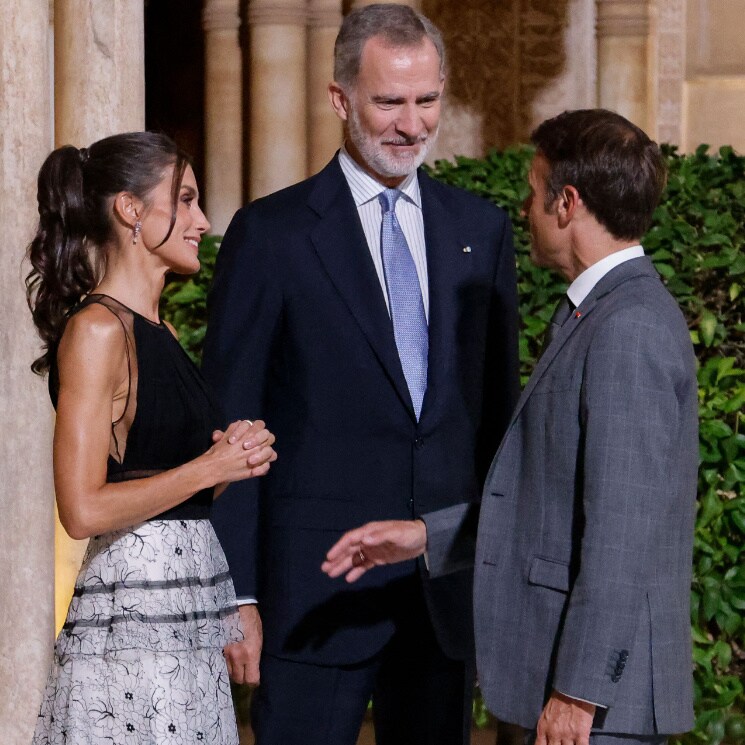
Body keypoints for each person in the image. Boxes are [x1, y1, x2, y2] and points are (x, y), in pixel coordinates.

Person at [323, 109, 699, 745]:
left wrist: (577, 694)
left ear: (567, 203)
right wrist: (422, 537)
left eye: (533, 191)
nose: (525, 209)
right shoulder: (600, 313)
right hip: (557, 689)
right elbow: (544, 505)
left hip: (594, 712)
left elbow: (621, 531)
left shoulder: (628, 326)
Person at [200, 4, 520, 744]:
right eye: (389, 102)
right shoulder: (271, 234)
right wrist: (235, 591)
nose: (412, 124)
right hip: (310, 596)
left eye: (427, 99)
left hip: (439, 603)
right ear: (340, 99)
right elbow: (233, 420)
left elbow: (496, 427)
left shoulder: (481, 230)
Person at [26, 131, 277, 745]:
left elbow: (168, 504)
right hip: (132, 629)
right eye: (185, 200)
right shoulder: (97, 330)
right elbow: (82, 509)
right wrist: (207, 469)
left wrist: (231, 463)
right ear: (130, 210)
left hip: (188, 623)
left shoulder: (158, 333)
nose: (203, 220)